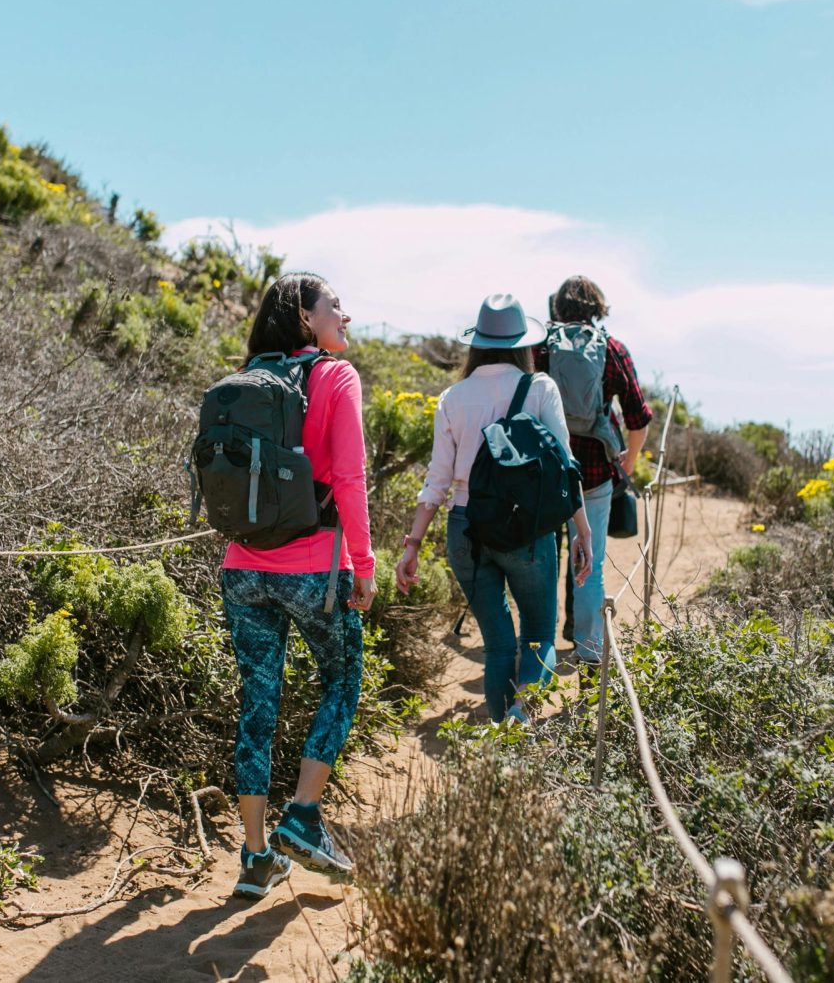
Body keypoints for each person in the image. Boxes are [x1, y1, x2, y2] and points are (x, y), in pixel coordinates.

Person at [221, 273, 375, 901]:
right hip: (314, 566)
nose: (346, 314)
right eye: (335, 305)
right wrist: (363, 566)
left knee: (257, 704)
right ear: (307, 319)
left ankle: (255, 857)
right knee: (342, 680)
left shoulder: (245, 382)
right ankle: (304, 816)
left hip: (243, 566)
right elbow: (348, 476)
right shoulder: (336, 377)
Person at [394, 294, 594, 722]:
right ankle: (519, 723)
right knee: (539, 636)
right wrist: (583, 529)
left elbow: (437, 480)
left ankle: (502, 731)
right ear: (524, 343)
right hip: (527, 529)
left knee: (499, 645)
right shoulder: (539, 387)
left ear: (478, 342)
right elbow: (564, 465)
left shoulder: (453, 396)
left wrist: (412, 545)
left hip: (466, 528)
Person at [541, 276, 653, 665]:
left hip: (543, 470)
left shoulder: (539, 346)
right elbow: (639, 417)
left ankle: (540, 650)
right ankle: (589, 652)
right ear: (597, 307)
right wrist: (628, 462)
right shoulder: (613, 349)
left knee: (543, 557)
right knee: (590, 559)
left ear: (557, 307)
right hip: (593, 472)